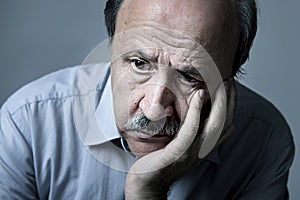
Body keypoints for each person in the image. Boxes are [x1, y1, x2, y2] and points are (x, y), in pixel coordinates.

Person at [0, 0, 295, 199]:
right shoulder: (28, 125)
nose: (154, 109)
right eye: (140, 63)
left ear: (231, 76)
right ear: (112, 45)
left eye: (189, 75)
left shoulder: (263, 140)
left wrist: (148, 191)